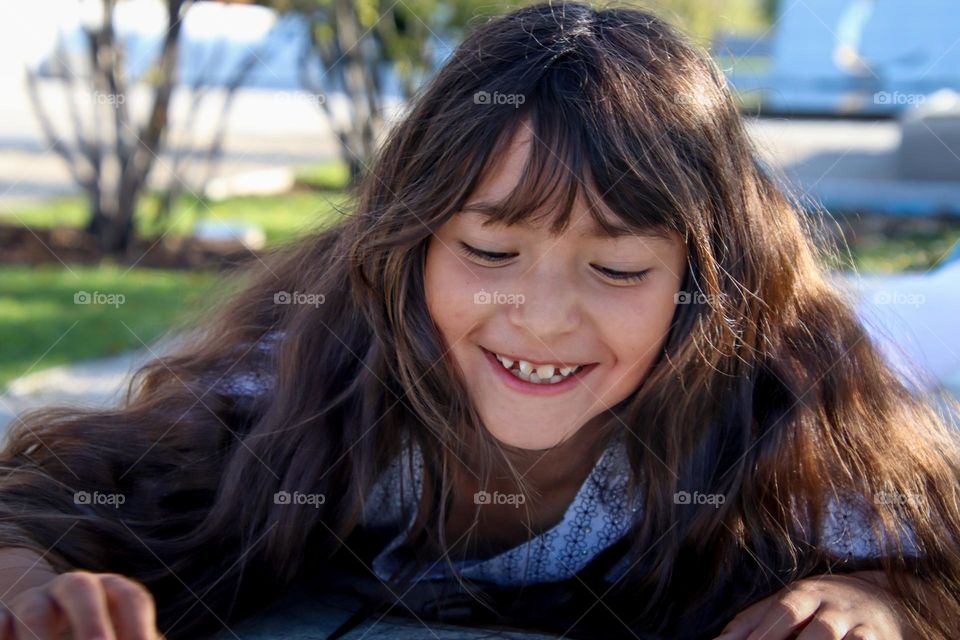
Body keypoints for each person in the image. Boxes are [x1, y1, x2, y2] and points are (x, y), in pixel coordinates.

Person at [2, 3, 960, 639]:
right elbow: (54, 493)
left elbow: (933, 553)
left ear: (706, 281)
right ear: (407, 247)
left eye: (618, 268)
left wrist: (877, 599)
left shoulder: (773, 402)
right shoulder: (314, 371)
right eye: (490, 253)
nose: (540, 318)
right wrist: (30, 590)